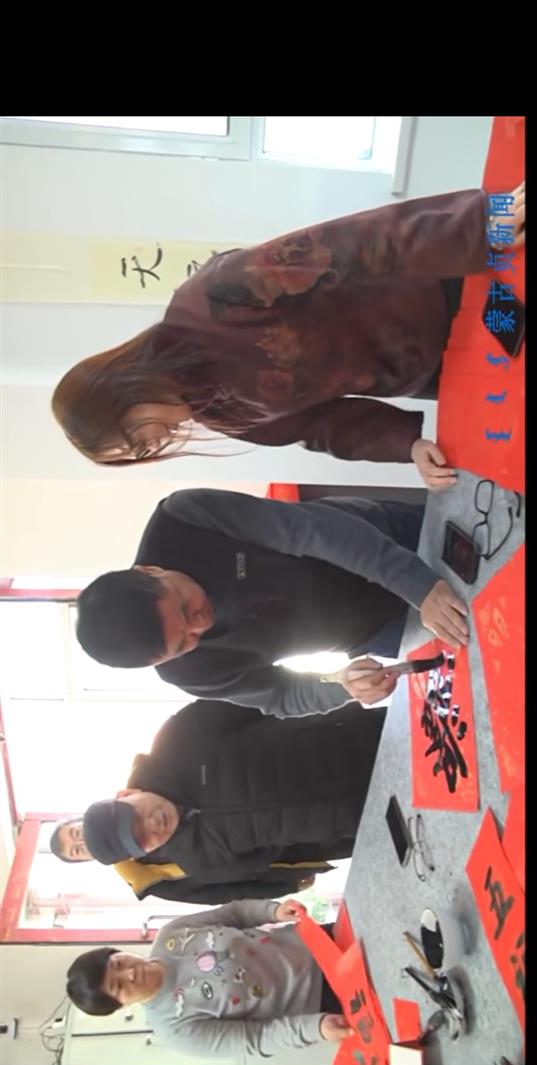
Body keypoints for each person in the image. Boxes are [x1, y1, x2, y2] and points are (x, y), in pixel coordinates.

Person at [52, 183, 525, 490]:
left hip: (451, 291)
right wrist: (407, 446)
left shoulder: (209, 300)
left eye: (136, 439)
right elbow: (320, 427)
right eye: (142, 453)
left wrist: (477, 226)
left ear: (120, 389)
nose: (154, 443)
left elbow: (344, 247)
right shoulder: (223, 415)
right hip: (436, 374)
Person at [75, 486, 469, 717]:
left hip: (385, 540)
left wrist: (418, 585)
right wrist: (342, 686)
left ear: (150, 570)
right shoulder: (187, 673)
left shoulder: (184, 519)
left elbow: (314, 531)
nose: (201, 624)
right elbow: (280, 695)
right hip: (375, 627)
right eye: (184, 643)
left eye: (183, 608)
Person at [50, 698, 386, 903]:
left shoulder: (180, 737)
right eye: (142, 839)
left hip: (364, 739)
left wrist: (342, 695)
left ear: (125, 794)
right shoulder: (193, 862)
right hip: (361, 821)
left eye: (136, 817)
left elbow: (267, 698)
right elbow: (258, 872)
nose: (152, 826)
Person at [65, 897, 352, 1061]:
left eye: (117, 963)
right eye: (118, 986)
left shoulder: (170, 935)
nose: (129, 973)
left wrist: (272, 911)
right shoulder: (174, 1029)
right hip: (328, 999)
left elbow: (233, 914)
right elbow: (255, 1038)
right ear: (120, 1005)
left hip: (322, 941)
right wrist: (315, 1029)